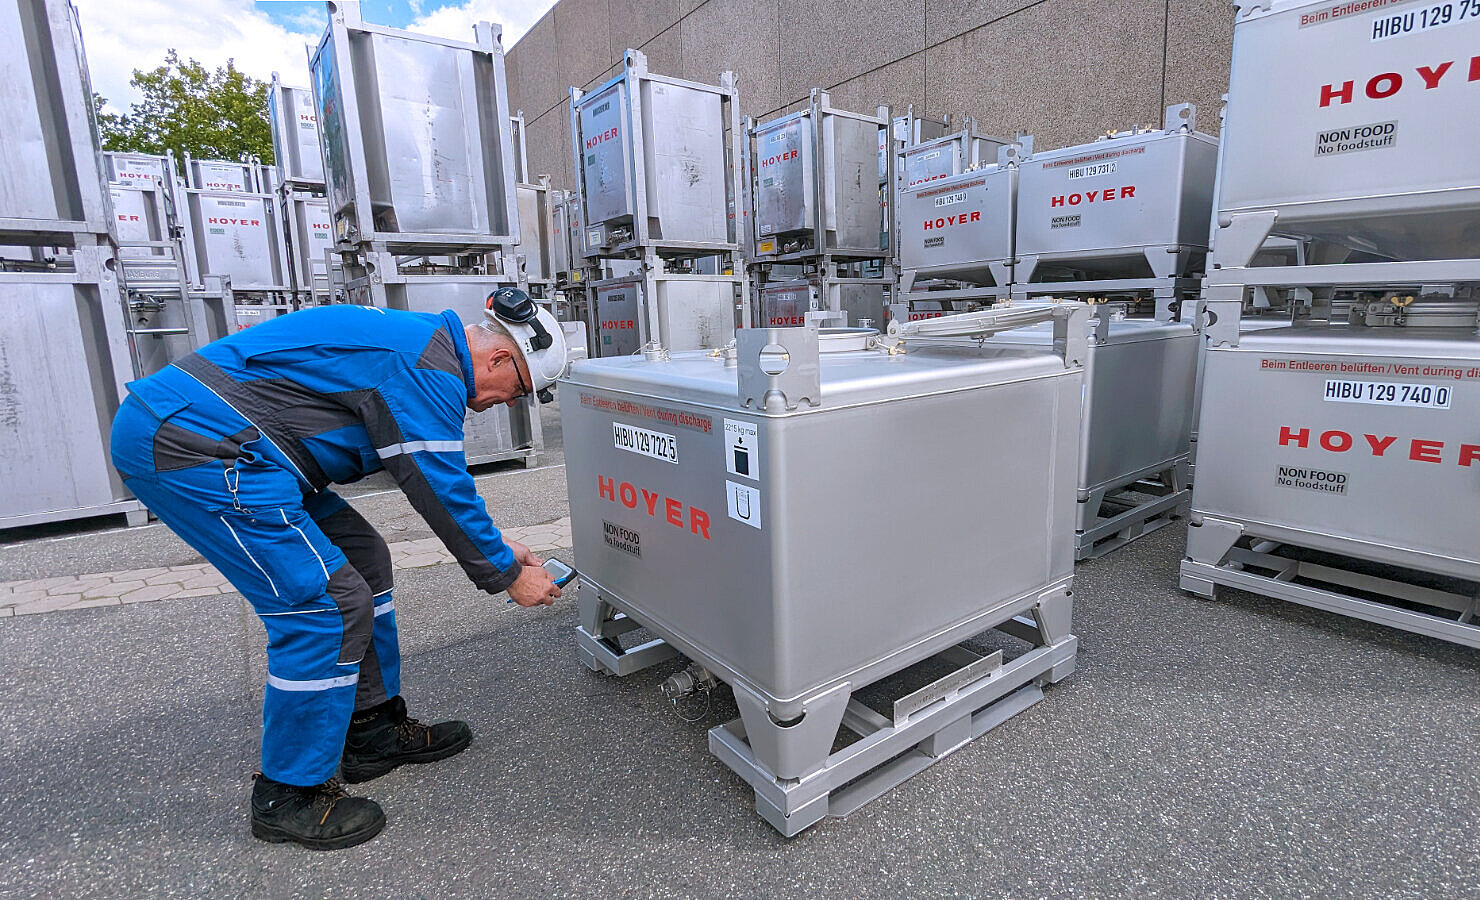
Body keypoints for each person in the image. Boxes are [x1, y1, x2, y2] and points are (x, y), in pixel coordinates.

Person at [109, 288, 570, 850]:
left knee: (362, 557)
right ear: (499, 359)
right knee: (323, 604)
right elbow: (439, 487)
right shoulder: (429, 366)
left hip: (249, 450)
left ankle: (372, 728)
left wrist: (500, 548)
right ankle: (287, 794)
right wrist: (506, 574)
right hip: (199, 448)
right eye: (518, 392)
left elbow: (439, 487)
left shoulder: (421, 344)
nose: (504, 405)